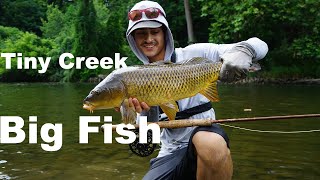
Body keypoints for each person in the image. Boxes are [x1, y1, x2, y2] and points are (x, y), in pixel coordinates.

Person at [125, 1, 268, 179]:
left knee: (210, 143)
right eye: (140, 34)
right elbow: (146, 144)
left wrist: (245, 50)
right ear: (133, 39)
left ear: (165, 33)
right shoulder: (134, 79)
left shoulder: (197, 53)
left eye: (154, 32)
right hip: (170, 151)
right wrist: (147, 112)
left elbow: (260, 44)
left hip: (207, 136)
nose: (148, 39)